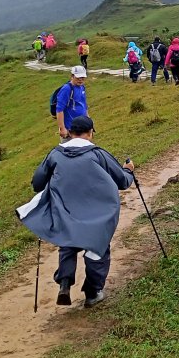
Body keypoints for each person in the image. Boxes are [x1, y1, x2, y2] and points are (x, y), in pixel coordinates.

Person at [18, 115, 135, 308]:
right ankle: (92, 292)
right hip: (97, 212)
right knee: (98, 247)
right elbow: (122, 181)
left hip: (65, 210)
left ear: (70, 133)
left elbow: (37, 183)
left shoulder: (55, 154)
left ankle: (64, 283)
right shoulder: (98, 153)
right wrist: (129, 170)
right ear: (90, 133)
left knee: (68, 242)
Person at [55, 66, 89, 142]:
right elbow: (59, 109)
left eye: (82, 77)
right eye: (78, 77)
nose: (80, 80)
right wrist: (62, 128)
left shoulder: (82, 87)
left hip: (82, 128)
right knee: (70, 152)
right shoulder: (67, 89)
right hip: (70, 131)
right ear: (72, 76)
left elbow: (84, 104)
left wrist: (88, 120)